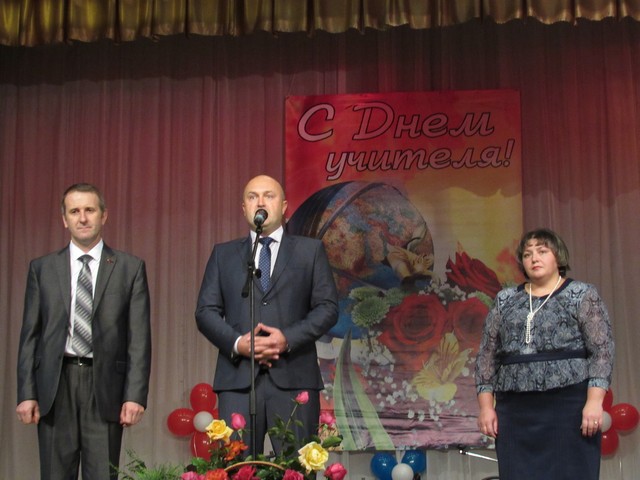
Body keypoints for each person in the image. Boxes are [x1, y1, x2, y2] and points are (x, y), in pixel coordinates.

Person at [16, 183, 152, 480]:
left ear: (104, 215)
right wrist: (26, 393)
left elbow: (139, 340)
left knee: (102, 474)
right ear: (64, 219)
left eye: (89, 210)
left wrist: (135, 396)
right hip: (55, 386)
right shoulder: (42, 268)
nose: (82, 218)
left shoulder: (129, 268)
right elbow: (30, 336)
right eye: (74, 211)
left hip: (105, 388)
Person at [195, 174, 338, 455]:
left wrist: (287, 339)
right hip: (238, 381)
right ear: (244, 208)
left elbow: (328, 308)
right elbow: (205, 311)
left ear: (283, 206)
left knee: (296, 469)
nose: (260, 202)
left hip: (294, 378)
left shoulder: (309, 252)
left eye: (268, 196)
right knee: (237, 469)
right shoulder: (224, 255)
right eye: (252, 197)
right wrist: (238, 343)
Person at [475, 228, 615, 480]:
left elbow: (602, 351)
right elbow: (487, 355)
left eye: (542, 251)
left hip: (568, 406)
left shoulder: (581, 294)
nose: (534, 258)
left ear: (557, 257)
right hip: (515, 410)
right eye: (527, 254)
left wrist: (594, 402)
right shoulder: (505, 299)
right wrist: (486, 407)